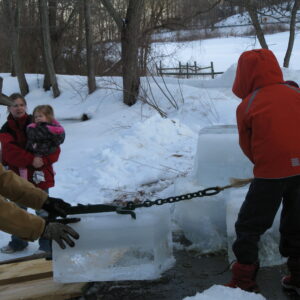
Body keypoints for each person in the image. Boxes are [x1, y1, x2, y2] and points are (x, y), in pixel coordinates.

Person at [225, 49, 300, 294]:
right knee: (297, 223)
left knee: (249, 225)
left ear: (245, 75)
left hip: (270, 175)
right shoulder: (296, 92)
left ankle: (244, 280)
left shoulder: (248, 105)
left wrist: (266, 164)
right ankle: (298, 276)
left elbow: (247, 145)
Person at [0, 94, 79, 249]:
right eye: (14, 105)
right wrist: (31, 160)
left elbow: (3, 179)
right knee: (18, 209)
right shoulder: (6, 129)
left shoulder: (39, 122)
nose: (19, 108)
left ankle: (46, 247)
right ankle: (18, 243)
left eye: (21, 105)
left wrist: (44, 201)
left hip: (39, 176)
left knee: (43, 212)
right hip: (19, 173)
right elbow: (10, 153)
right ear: (8, 108)